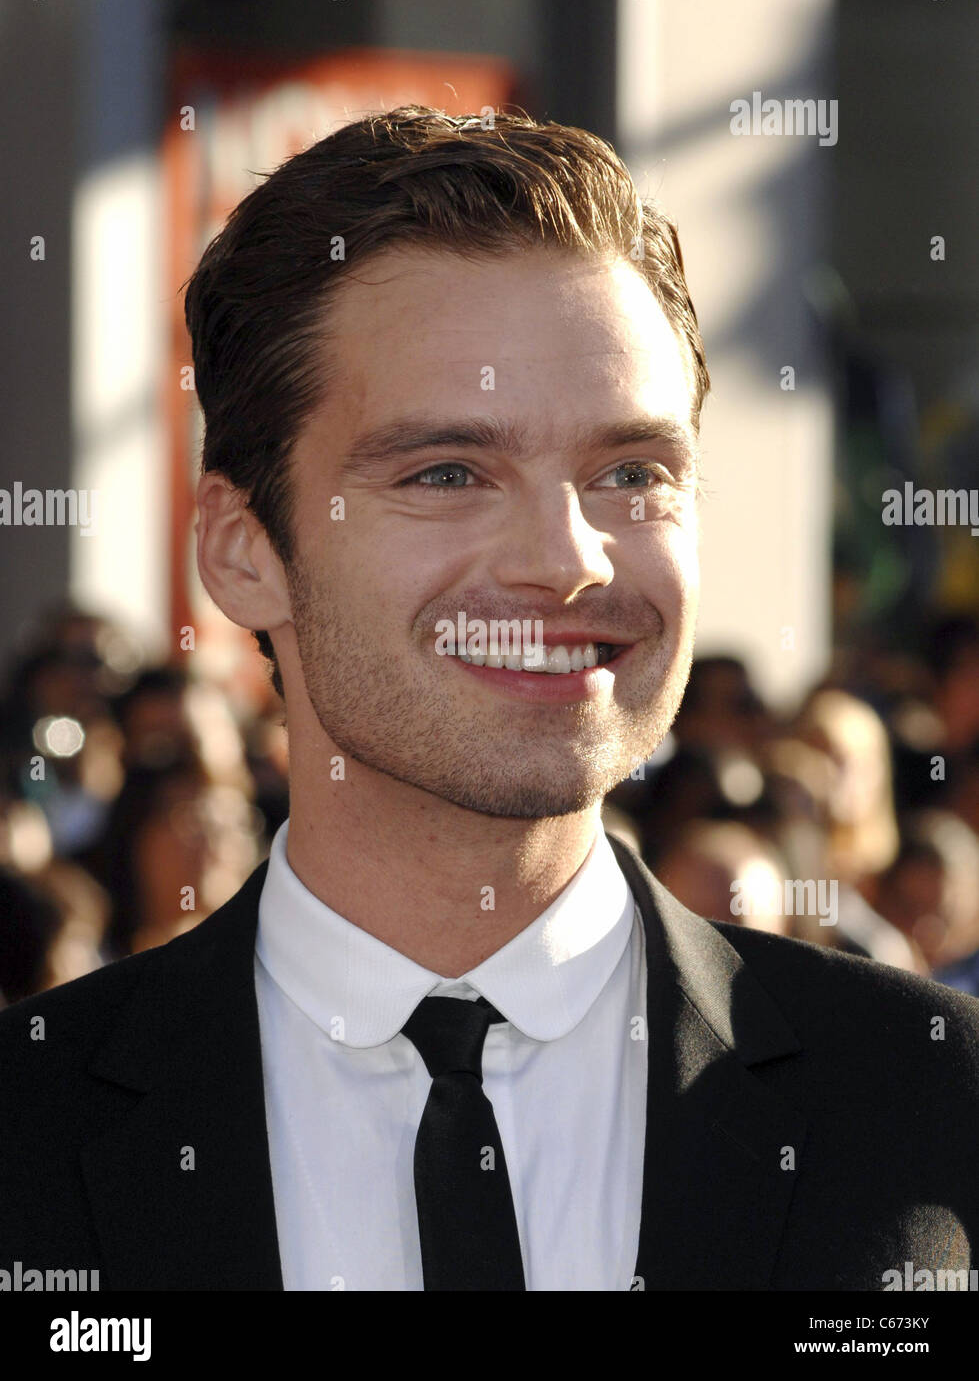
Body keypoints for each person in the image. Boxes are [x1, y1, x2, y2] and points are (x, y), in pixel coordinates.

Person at [1, 105, 978, 1293]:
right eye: (448, 472)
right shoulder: (31, 1137)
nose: (567, 557)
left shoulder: (933, 1111)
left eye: (632, 472)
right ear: (242, 548)